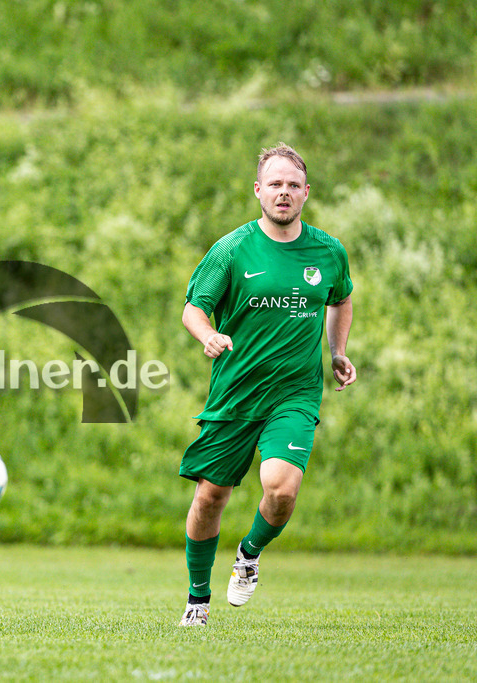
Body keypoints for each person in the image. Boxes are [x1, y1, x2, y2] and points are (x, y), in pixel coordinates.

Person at [177, 143, 357, 626]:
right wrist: (208, 335)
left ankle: (249, 554)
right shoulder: (232, 249)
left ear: (306, 192)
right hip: (236, 392)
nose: (284, 192)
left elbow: (340, 299)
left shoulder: (328, 251)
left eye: (293, 185)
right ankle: (197, 600)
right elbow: (193, 309)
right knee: (210, 497)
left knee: (281, 490)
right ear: (258, 190)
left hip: (295, 393)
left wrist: (337, 351)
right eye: (275, 184)